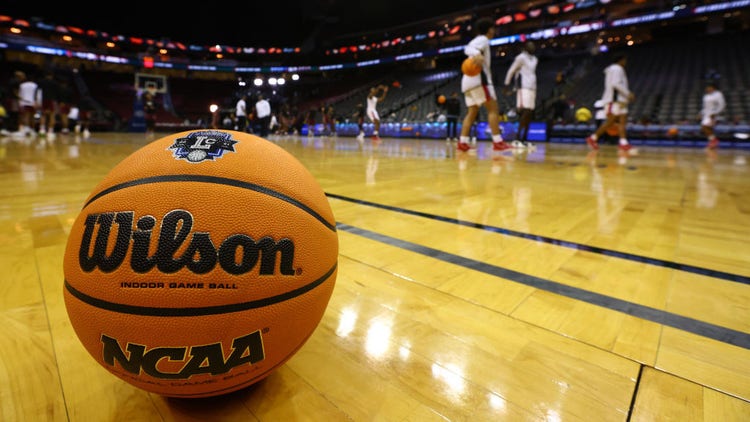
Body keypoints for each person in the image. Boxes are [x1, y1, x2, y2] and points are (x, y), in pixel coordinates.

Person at [457, 17, 509, 152]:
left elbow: (468, 48)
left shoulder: (478, 40)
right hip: (479, 79)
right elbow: (468, 49)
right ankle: (498, 141)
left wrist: (475, 54)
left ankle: (462, 142)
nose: (494, 31)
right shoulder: (483, 39)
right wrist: (477, 54)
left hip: (467, 81)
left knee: (472, 112)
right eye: (493, 28)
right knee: (493, 109)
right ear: (490, 29)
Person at [585, 53, 635, 152]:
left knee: (620, 121)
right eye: (625, 60)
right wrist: (628, 94)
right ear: (621, 60)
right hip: (615, 100)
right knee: (612, 121)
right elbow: (615, 84)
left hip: (619, 99)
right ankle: (593, 138)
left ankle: (623, 142)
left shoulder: (612, 69)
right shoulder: (617, 69)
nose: (625, 62)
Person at [504, 40, 538, 148]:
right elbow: (511, 71)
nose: (532, 47)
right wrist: (506, 84)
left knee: (530, 113)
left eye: (533, 45)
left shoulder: (535, 59)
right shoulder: (520, 58)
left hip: (532, 87)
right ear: (526, 47)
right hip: (523, 87)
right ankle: (517, 139)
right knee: (525, 112)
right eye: (530, 45)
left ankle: (524, 139)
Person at [13, 71, 40, 138]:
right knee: (32, 117)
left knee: (25, 116)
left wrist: (20, 102)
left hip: (24, 102)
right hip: (33, 103)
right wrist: (37, 102)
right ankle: (32, 130)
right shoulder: (35, 85)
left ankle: (26, 129)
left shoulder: (22, 85)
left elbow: (20, 95)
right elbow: (37, 94)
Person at [699, 82, 725, 150]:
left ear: (713, 88)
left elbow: (722, 105)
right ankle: (713, 142)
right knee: (706, 129)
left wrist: (716, 113)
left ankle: (714, 141)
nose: (707, 89)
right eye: (707, 88)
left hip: (713, 114)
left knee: (705, 127)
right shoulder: (706, 96)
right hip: (706, 114)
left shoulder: (718, 94)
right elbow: (705, 107)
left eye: (709, 87)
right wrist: (701, 113)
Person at [37, 70, 61, 140]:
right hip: (52, 100)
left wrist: (37, 101)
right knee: (52, 116)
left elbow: (38, 91)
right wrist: (59, 102)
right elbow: (58, 93)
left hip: (43, 100)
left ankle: (42, 131)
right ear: (52, 76)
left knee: (43, 115)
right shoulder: (55, 83)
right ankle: (50, 131)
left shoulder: (41, 82)